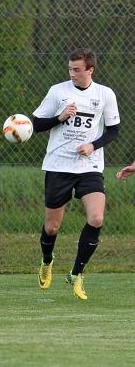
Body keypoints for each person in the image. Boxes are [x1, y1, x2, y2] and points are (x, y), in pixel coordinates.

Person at [32, 48, 120, 300]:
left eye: (77, 69)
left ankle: (77, 273)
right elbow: (36, 124)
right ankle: (47, 260)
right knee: (52, 226)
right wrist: (60, 117)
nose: (72, 73)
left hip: (89, 167)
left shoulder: (104, 94)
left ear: (90, 70)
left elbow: (113, 131)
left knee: (96, 218)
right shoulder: (58, 91)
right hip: (59, 166)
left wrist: (93, 146)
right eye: (70, 68)